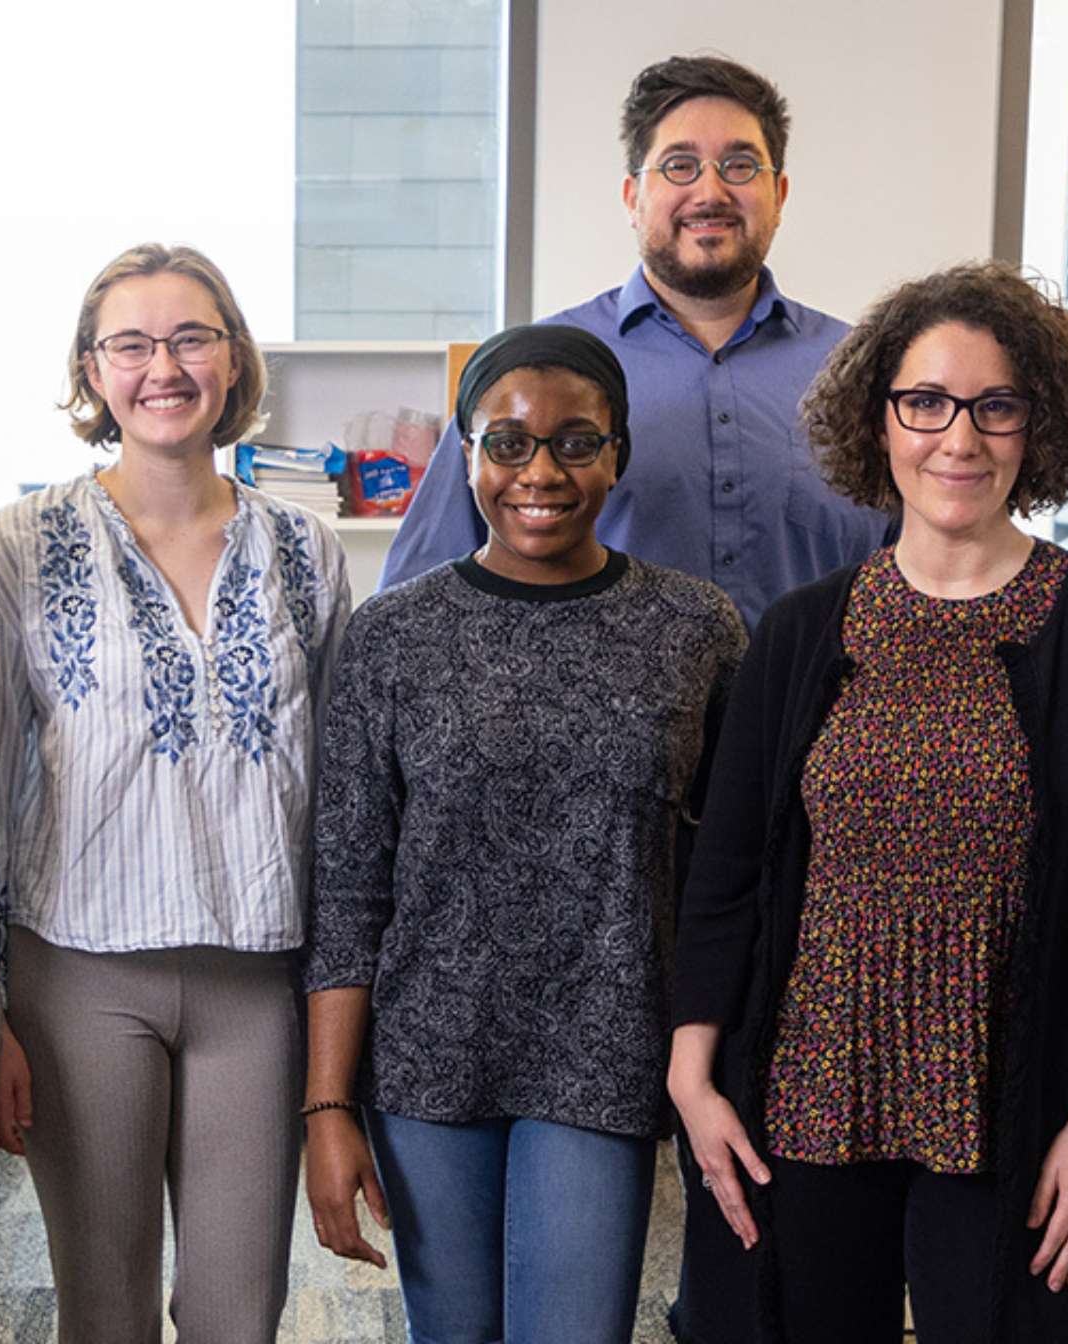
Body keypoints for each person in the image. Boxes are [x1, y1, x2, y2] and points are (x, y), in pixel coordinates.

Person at [665, 260, 1068, 1344]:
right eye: (925, 403)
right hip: (808, 1089)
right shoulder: (801, 631)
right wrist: (691, 1077)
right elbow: (722, 872)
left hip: (1017, 1097)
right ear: (879, 421)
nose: (958, 438)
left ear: (1037, 426)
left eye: (994, 406)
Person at [303, 325, 745, 1342]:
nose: (539, 471)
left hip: (605, 1048)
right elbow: (349, 887)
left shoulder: (695, 628)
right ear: (465, 455)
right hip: (428, 1058)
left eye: (575, 442)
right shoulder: (393, 636)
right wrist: (327, 1109)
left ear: (616, 455)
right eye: (507, 443)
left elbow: (734, 874)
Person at [0, 242, 351, 1342]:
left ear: (232, 361)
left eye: (189, 338)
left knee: (239, 1313)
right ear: (90, 370)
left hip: (256, 982)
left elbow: (340, 798)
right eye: (129, 343)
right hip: (77, 976)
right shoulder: (18, 548)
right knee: (104, 1311)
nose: (160, 366)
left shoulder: (308, 552)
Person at [380, 54, 884, 630]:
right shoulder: (533, 375)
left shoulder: (861, 374)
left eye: (740, 165)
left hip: (816, 716)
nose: (711, 190)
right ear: (631, 197)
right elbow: (416, 607)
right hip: (591, 716)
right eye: (679, 165)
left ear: (780, 194)